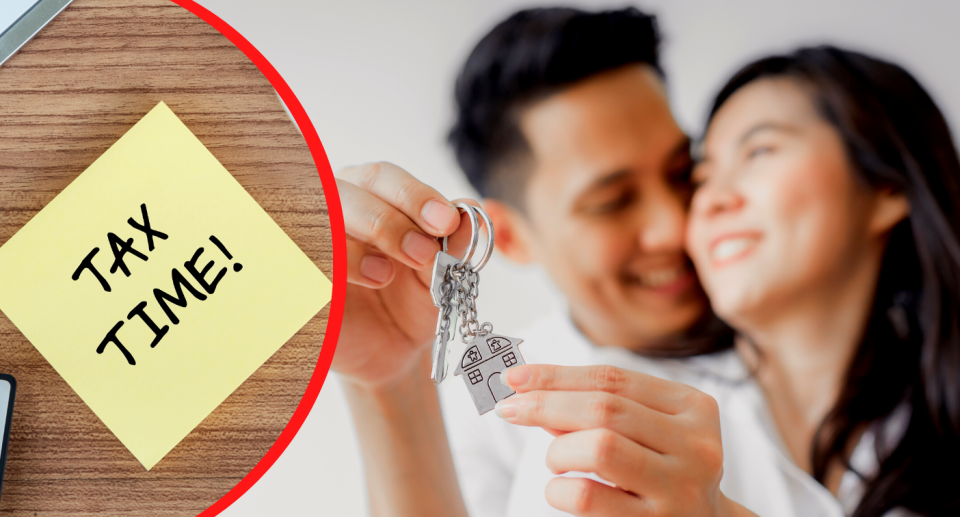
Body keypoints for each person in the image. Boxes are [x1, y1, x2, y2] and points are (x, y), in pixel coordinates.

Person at [497, 46, 960, 516]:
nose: (709, 202)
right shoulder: (617, 418)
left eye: (758, 152)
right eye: (702, 176)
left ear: (886, 186)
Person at [333, 7, 733, 517]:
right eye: (612, 203)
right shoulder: (497, 411)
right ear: (512, 237)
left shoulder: (809, 317)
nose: (675, 226)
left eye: (683, 172)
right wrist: (389, 387)